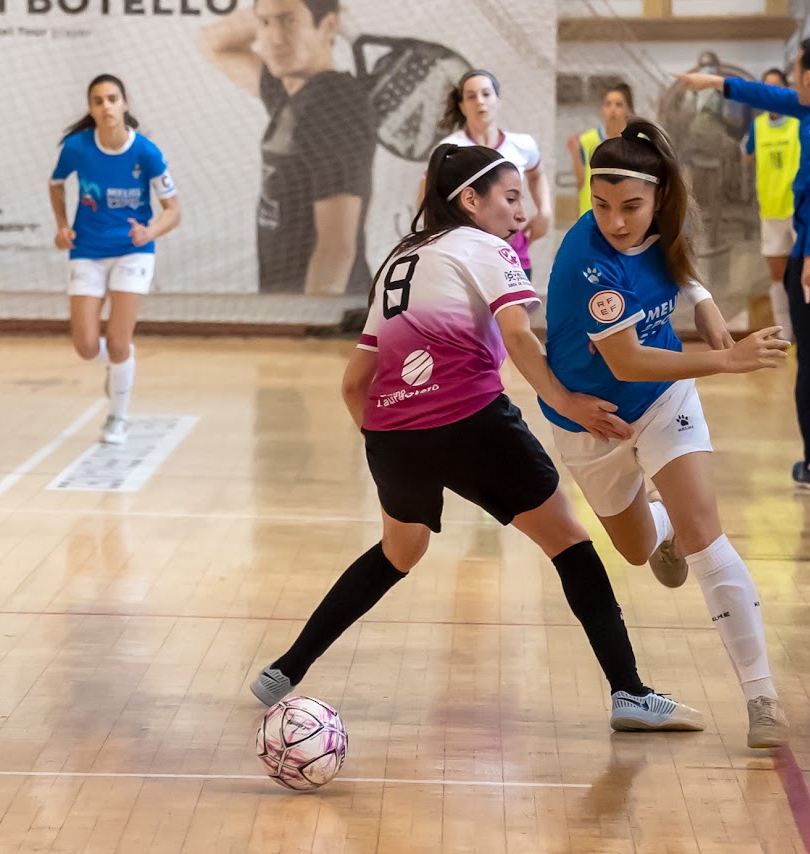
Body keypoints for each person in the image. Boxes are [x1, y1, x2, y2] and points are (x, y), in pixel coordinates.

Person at [250, 144, 704, 734]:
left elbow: (353, 383)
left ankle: (283, 671)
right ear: (471, 200)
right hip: (471, 420)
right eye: (511, 198)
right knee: (570, 542)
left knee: (398, 553)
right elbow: (519, 337)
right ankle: (630, 694)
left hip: (389, 433)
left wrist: (397, 441)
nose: (522, 215)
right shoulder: (487, 247)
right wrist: (564, 402)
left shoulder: (397, 260)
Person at [541, 118, 792, 748]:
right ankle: (663, 530)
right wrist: (727, 357)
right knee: (632, 549)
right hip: (589, 421)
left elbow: (680, 269)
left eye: (630, 206)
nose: (616, 221)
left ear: (657, 200)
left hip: (663, 401)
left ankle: (762, 697)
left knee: (707, 533)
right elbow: (625, 361)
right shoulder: (585, 260)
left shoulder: (663, 226)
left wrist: (706, 309)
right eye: (601, 206)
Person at [675, 37, 810, 495]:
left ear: (809, 76)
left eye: (795, 70)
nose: (791, 78)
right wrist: (716, 82)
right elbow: (778, 98)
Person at [200, 0, 376, 295]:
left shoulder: (334, 105)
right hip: (287, 305)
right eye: (265, 24)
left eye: (288, 21)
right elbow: (213, 43)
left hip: (322, 313)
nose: (275, 38)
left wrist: (311, 328)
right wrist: (268, 10)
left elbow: (337, 248)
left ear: (328, 26)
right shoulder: (291, 93)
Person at [49, 74, 182, 446]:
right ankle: (119, 361)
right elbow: (56, 183)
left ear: (124, 104)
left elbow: (173, 210)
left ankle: (116, 417)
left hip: (132, 250)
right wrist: (62, 226)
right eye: (97, 101)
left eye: (112, 99)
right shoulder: (76, 148)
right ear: (90, 109)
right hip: (87, 251)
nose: (106, 106)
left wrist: (149, 232)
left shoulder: (146, 153)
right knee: (87, 347)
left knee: (120, 342)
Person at [435, 69, 552, 280]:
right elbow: (427, 198)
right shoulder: (450, 149)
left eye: (486, 94)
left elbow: (537, 175)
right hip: (466, 255)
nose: (480, 101)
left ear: (498, 100)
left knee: (516, 312)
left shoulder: (523, 145)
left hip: (513, 251)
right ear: (462, 106)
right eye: (471, 96)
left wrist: (544, 211)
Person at [742, 68, 800, 343]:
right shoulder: (758, 126)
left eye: (777, 88)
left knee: (805, 271)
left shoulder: (799, 122)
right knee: (777, 276)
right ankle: (784, 332)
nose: (772, 94)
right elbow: (746, 156)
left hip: (800, 210)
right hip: (771, 210)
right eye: (767, 89)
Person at [568, 83, 635, 217]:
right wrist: (575, 154)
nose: (613, 109)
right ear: (602, 109)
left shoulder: (638, 141)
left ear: (628, 110)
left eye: (618, 104)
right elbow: (580, 181)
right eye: (608, 104)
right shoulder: (587, 140)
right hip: (592, 215)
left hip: (626, 217)